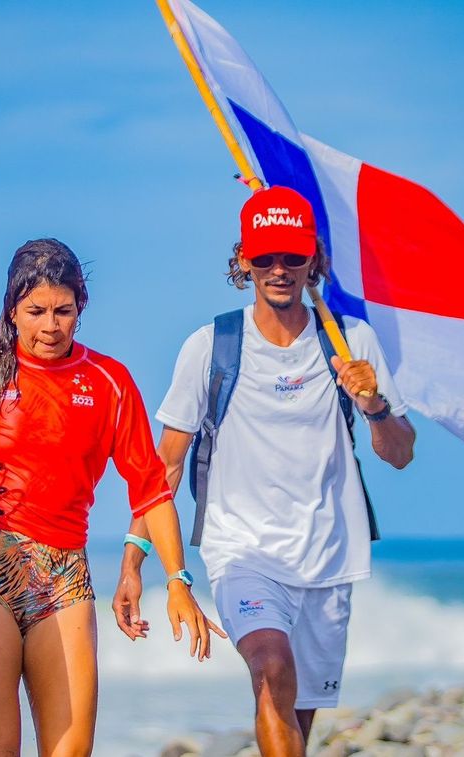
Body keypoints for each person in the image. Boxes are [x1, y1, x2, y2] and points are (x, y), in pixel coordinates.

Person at [0, 238, 223, 757]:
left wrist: (178, 580)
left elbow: (151, 490)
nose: (50, 325)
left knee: (71, 749)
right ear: (12, 311)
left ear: (81, 309)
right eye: (35, 311)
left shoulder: (109, 384)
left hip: (65, 574)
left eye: (63, 311)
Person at [113, 187, 416, 756]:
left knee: (298, 711)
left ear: (314, 262)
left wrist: (374, 404)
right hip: (242, 550)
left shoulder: (352, 343)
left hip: (329, 553)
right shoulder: (211, 347)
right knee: (272, 667)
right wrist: (134, 559)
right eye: (264, 257)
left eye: (292, 257)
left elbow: (400, 452)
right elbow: (164, 468)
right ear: (243, 261)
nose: (278, 270)